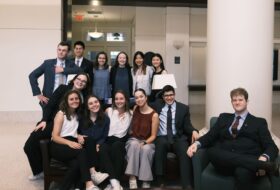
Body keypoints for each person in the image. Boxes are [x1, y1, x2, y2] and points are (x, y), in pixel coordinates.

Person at [187, 87, 279, 190]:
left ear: (247, 101)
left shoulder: (259, 122)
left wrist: (265, 157)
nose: (237, 102)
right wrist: (196, 144)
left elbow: (272, 146)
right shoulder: (223, 118)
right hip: (224, 163)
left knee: (243, 171)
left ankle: (256, 164)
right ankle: (261, 165)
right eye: (234, 100)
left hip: (246, 163)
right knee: (212, 151)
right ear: (231, 102)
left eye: (240, 100)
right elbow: (210, 136)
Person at [24, 73, 91, 180]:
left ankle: (44, 168)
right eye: (79, 79)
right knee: (29, 146)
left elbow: (82, 117)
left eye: (84, 81)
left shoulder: (84, 97)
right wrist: (44, 120)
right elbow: (50, 105)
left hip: (69, 128)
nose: (80, 82)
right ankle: (38, 171)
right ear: (74, 80)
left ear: (86, 85)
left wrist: (79, 133)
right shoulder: (62, 88)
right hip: (53, 122)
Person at [152, 85, 199, 190]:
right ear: (163, 97)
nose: (169, 97)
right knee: (160, 146)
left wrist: (194, 131)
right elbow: (141, 103)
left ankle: (186, 183)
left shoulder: (183, 108)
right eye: (166, 95)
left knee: (184, 150)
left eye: (171, 95)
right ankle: (160, 182)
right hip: (162, 137)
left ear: (174, 94)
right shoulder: (157, 105)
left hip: (178, 137)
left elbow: (187, 125)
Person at [50, 90, 99, 190]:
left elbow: (71, 131)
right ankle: (89, 184)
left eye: (76, 99)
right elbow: (55, 136)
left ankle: (77, 186)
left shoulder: (76, 114)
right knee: (81, 151)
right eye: (71, 99)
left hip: (70, 142)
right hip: (58, 145)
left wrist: (79, 135)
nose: (74, 101)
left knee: (88, 143)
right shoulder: (61, 114)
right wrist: (70, 143)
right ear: (66, 101)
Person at [29, 41, 81, 108]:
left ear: (68, 52)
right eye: (59, 50)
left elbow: (80, 71)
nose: (61, 52)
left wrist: (63, 70)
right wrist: (38, 94)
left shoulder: (70, 64)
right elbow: (32, 76)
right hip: (49, 99)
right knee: (47, 118)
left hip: (65, 99)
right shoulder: (48, 63)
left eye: (64, 50)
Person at [125, 88, 159, 189]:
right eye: (136, 98)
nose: (139, 99)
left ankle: (146, 180)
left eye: (141, 97)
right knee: (134, 145)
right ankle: (132, 178)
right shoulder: (135, 108)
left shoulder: (154, 115)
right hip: (134, 139)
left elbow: (153, 136)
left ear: (146, 97)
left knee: (146, 149)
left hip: (148, 141)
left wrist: (144, 143)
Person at [99, 90, 133, 190]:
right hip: (108, 140)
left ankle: (113, 182)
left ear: (126, 100)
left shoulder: (131, 113)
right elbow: (102, 128)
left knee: (117, 146)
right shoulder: (109, 111)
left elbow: (131, 131)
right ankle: (114, 182)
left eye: (121, 98)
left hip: (121, 141)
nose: (119, 101)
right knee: (103, 148)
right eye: (116, 99)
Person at [78, 95, 110, 186]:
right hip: (84, 145)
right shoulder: (81, 118)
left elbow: (104, 136)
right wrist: (78, 135)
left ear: (99, 103)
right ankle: (93, 175)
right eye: (90, 103)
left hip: (95, 145)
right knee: (89, 141)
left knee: (103, 150)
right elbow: (74, 131)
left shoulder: (105, 119)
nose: (94, 105)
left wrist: (98, 144)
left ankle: (99, 182)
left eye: (96, 102)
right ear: (87, 107)